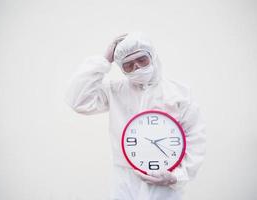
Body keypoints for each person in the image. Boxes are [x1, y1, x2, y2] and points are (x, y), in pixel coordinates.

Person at [65, 32, 206, 200]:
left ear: (152, 56)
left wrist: (177, 175)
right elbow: (77, 100)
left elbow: (195, 136)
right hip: (124, 181)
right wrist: (103, 61)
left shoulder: (179, 93)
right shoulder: (115, 91)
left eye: (141, 59)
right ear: (121, 68)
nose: (137, 67)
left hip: (165, 182)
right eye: (128, 65)